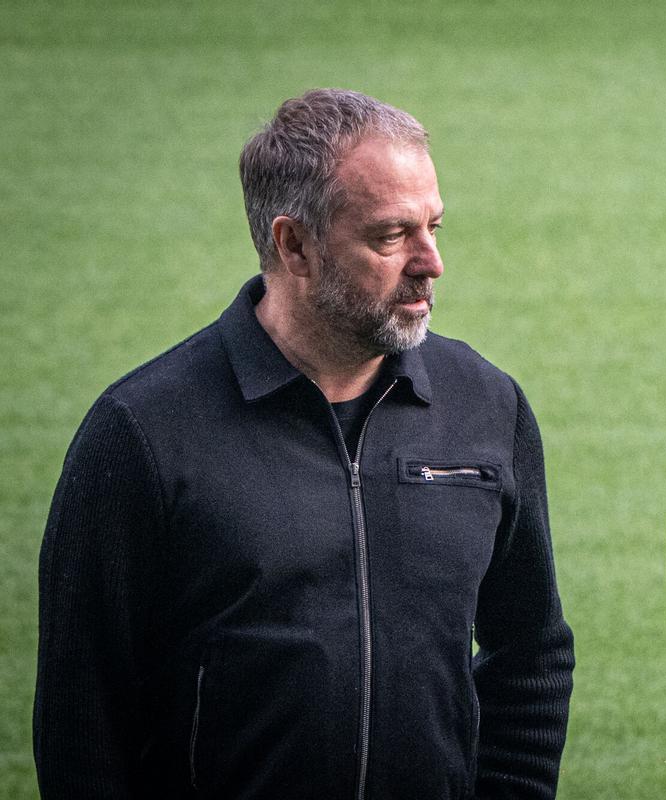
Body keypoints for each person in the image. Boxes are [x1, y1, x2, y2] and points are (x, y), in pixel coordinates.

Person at [35, 89, 574, 799]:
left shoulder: (486, 407)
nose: (431, 262)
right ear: (294, 245)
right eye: (392, 236)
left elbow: (531, 650)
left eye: (434, 226)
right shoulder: (143, 432)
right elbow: (82, 711)